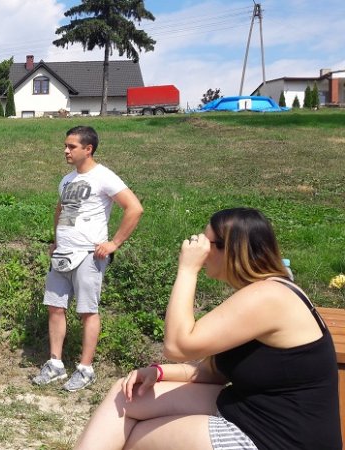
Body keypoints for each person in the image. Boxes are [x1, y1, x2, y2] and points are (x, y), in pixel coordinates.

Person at [74, 207, 341, 450]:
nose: (198, 250)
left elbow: (177, 346)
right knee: (125, 397)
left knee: (136, 438)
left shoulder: (269, 297)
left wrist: (187, 269)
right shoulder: (259, 293)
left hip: (280, 439)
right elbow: (210, 373)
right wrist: (157, 372)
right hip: (255, 413)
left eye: (205, 243)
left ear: (231, 249)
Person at [33, 126, 143, 391]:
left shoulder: (103, 176)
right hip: (63, 254)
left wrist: (114, 243)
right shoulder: (67, 180)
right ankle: (56, 364)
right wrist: (56, 241)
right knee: (55, 307)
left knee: (87, 311)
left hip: (88, 255)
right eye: (65, 145)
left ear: (88, 149)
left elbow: (134, 208)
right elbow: (62, 211)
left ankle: (85, 369)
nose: (66, 151)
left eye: (71, 146)